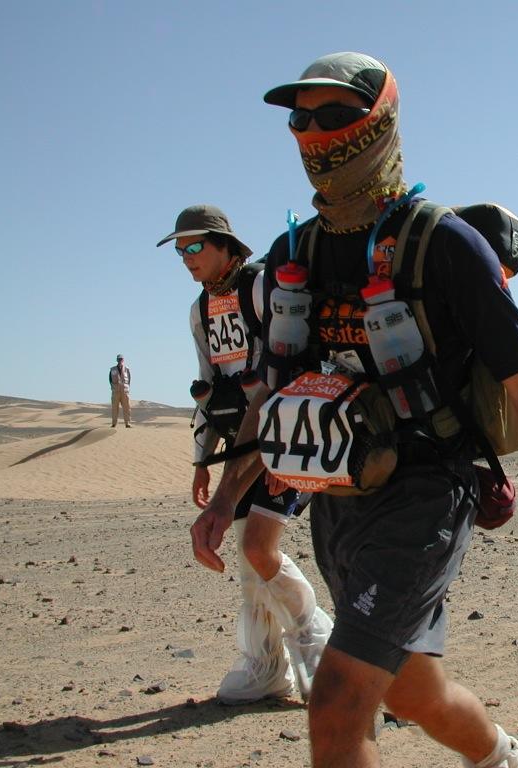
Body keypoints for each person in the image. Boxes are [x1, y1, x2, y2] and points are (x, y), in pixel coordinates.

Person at [190, 52, 518, 768]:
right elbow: (276, 400)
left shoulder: (443, 243)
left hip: (425, 497)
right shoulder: (295, 255)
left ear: (379, 122)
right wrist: (227, 498)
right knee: (413, 690)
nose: (314, 133)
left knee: (338, 699)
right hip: (337, 501)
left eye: (337, 116)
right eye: (301, 117)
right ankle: (514, 761)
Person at [157, 204, 331, 704]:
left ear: (225, 246)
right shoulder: (199, 311)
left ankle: (319, 643)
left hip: (285, 436)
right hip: (240, 444)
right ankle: (265, 665)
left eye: (195, 246)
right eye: (179, 248)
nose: (186, 257)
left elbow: (289, 367)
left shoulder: (260, 288)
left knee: (259, 548)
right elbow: (207, 388)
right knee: (250, 560)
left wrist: (281, 451)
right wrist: (200, 458)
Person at [109, 354, 132, 428]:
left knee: (126, 407)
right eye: (119, 359)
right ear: (117, 360)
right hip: (115, 391)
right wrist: (113, 387)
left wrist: (127, 387)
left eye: (121, 359)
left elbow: (129, 379)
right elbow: (110, 380)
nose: (120, 360)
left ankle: (127, 423)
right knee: (115, 408)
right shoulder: (112, 369)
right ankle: (114, 423)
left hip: (125, 391)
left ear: (123, 360)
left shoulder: (127, 369)